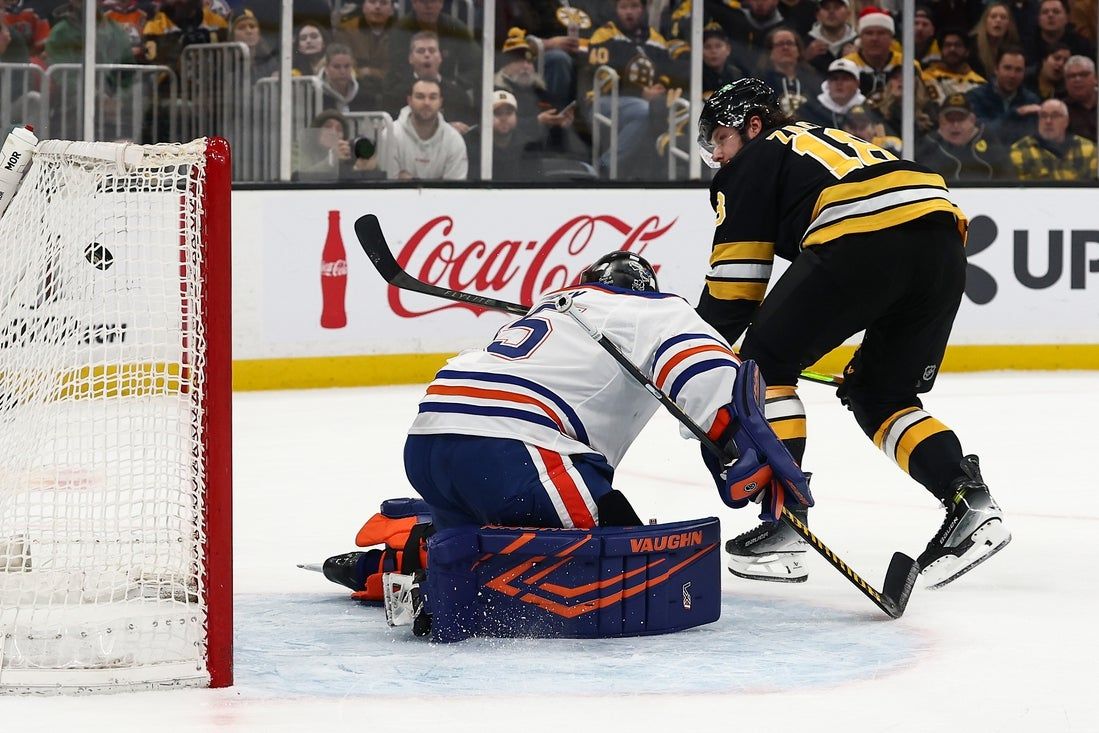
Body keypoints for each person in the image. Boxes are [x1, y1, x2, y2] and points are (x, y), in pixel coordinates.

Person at [694, 78, 1010, 588]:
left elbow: (734, 291)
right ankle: (969, 502)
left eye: (721, 139)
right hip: (943, 242)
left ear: (753, 126)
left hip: (864, 234)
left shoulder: (756, 157)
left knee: (764, 368)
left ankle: (786, 525)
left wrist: (689, 355)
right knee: (881, 394)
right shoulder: (825, 141)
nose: (717, 155)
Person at [403, 250, 809, 532]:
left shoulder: (547, 309)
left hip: (427, 442)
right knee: (625, 559)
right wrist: (737, 439)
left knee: (468, 547)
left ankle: (418, 553)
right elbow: (705, 365)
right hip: (518, 452)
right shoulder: (653, 307)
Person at [384, 30, 476, 134]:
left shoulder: (458, 95)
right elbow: (391, 130)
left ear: (440, 57)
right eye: (421, 51)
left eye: (432, 50)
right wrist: (445, 129)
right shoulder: (395, 95)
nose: (427, 55)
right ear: (410, 58)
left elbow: (469, 129)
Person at [387, 77, 468, 180]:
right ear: (409, 100)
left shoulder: (454, 140)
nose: (426, 103)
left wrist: (410, 180)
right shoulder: (390, 135)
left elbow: (454, 188)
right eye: (420, 97)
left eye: (433, 97)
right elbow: (388, 185)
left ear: (440, 102)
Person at [917, 92, 1012, 180]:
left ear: (972, 120)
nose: (955, 125)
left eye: (960, 119)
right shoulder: (928, 145)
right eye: (950, 119)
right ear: (941, 120)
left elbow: (1009, 178)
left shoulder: (989, 142)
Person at [966, 45, 1041, 145]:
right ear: (996, 69)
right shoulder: (975, 97)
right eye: (1007, 68)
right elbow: (982, 133)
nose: (1012, 75)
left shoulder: (1031, 101)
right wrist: (1015, 114)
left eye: (1018, 70)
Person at [1009, 97, 1098, 180]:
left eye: (1055, 116)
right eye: (1043, 116)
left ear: (1066, 121)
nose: (1048, 121)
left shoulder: (1090, 150)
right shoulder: (1020, 150)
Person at [333, 0, 395, 102]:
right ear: (363, 7)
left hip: (390, 91)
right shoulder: (346, 29)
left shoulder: (400, 32)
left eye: (383, 3)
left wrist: (369, 71)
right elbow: (344, 66)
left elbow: (396, 71)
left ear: (392, 9)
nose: (377, 7)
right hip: (354, 90)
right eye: (372, 2)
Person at [758, 26, 821, 117]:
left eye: (790, 43)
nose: (785, 47)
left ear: (798, 50)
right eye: (780, 44)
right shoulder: (762, 84)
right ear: (770, 52)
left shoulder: (812, 81)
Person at [797, 57, 866, 128]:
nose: (839, 83)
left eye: (845, 79)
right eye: (834, 78)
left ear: (857, 83)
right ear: (828, 83)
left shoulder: (868, 108)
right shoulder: (812, 109)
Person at [924, 27, 986, 100]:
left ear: (967, 52)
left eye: (958, 45)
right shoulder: (926, 78)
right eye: (947, 45)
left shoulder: (980, 84)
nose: (952, 49)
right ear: (941, 51)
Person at [803, 0, 857, 76]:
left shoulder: (858, 43)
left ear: (848, 14)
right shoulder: (805, 43)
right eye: (826, 8)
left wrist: (859, 60)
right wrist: (805, 58)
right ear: (817, 15)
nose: (831, 12)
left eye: (837, 7)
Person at [968, 1, 1019, 79]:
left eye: (1003, 17)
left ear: (1009, 24)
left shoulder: (1013, 45)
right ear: (985, 21)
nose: (998, 20)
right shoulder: (971, 45)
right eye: (993, 16)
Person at [319, 43, 376, 113]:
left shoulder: (365, 95)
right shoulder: (315, 95)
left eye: (347, 66)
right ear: (326, 68)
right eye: (336, 67)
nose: (342, 71)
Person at [702, 22, 745, 99]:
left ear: (728, 49)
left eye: (718, 46)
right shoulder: (695, 76)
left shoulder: (736, 75)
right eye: (707, 47)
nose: (713, 51)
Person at [231, 8, 277, 79]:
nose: (249, 31)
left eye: (252, 26)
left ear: (259, 34)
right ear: (232, 36)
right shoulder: (225, 63)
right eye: (241, 27)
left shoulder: (269, 62)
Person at [1062, 55, 1097, 141]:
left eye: (1084, 74)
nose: (1077, 79)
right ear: (1065, 82)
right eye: (1071, 76)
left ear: (1096, 79)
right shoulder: (1060, 110)